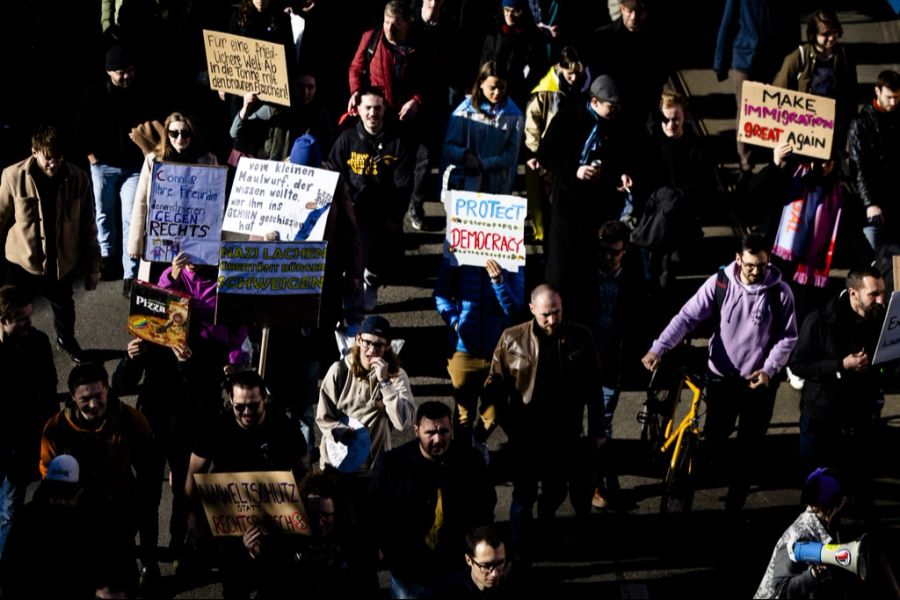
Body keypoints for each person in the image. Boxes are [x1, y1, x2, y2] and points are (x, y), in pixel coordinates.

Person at [641, 234, 798, 519]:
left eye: (761, 265)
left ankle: (734, 505)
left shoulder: (781, 292)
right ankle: (718, 472)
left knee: (749, 445)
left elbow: (787, 337)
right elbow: (687, 317)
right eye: (750, 265)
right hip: (721, 378)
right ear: (738, 259)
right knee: (715, 437)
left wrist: (769, 369)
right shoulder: (720, 283)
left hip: (758, 382)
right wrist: (659, 348)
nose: (755, 271)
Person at [484, 284, 603, 564]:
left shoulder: (580, 337)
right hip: (526, 434)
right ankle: (518, 553)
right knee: (523, 496)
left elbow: (593, 387)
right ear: (532, 310)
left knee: (555, 490)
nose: (552, 320)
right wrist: (501, 422)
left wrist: (597, 430)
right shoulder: (512, 338)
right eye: (546, 314)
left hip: (565, 433)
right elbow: (495, 384)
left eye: (557, 312)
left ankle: (544, 535)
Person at [185, 370, 309, 599]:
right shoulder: (215, 428)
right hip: (228, 521)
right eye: (239, 406)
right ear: (231, 400)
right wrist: (193, 516)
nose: (246, 412)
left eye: (253, 405)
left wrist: (297, 514)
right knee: (233, 584)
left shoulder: (285, 428)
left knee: (274, 584)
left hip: (274, 521)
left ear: (265, 399)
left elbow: (303, 470)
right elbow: (194, 472)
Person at [40, 363, 157, 596]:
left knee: (123, 583)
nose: (93, 404)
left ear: (107, 389)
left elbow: (149, 468)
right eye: (85, 399)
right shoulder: (56, 429)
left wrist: (139, 510)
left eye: (98, 395)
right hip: (78, 520)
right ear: (73, 397)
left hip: (121, 515)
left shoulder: (131, 420)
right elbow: (49, 477)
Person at [538, 74, 640, 322]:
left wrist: (622, 174)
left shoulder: (618, 125)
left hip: (598, 208)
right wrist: (575, 169)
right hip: (568, 207)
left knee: (589, 273)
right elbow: (546, 154)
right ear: (595, 102)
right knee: (561, 268)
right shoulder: (569, 118)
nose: (614, 110)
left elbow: (625, 155)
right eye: (610, 106)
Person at [370, 401, 496, 598]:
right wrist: (389, 550)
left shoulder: (470, 462)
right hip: (409, 569)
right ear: (416, 430)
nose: (438, 439)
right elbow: (377, 511)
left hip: (454, 562)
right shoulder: (392, 465)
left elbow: (485, 507)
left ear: (451, 430)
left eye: (444, 431)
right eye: (430, 433)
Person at [0, 125, 101, 364]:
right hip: (21, 262)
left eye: (58, 158)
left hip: (61, 262)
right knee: (13, 314)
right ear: (34, 151)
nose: (53, 165)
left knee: (65, 310)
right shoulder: (12, 176)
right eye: (48, 159)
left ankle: (66, 341)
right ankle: (11, 350)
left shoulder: (78, 178)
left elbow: (89, 225)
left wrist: (94, 267)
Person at [788, 268, 888, 478]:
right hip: (821, 415)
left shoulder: (877, 318)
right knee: (816, 481)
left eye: (882, 293)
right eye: (873, 295)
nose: (881, 300)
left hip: (857, 414)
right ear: (853, 293)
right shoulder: (820, 321)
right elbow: (798, 365)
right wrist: (841, 365)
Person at [76, 45, 158, 289]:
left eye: (130, 71)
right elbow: (80, 127)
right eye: (121, 72)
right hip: (104, 165)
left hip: (133, 167)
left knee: (131, 218)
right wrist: (91, 156)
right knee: (103, 213)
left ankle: (129, 274)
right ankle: (107, 258)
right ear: (109, 72)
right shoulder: (94, 94)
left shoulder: (141, 92)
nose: (127, 76)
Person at [326, 85, 414, 311]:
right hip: (352, 213)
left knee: (377, 263)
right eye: (367, 108)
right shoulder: (346, 140)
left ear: (384, 108)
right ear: (358, 109)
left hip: (383, 217)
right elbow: (333, 173)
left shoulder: (398, 143)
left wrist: (394, 217)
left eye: (377, 108)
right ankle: (352, 303)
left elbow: (403, 185)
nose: (372, 114)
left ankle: (371, 283)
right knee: (352, 261)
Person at [346, 0, 431, 230]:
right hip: (381, 115)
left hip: (409, 117)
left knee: (417, 164)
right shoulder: (371, 38)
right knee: (383, 167)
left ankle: (414, 205)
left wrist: (416, 100)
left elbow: (429, 79)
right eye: (386, 22)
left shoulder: (419, 44)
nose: (389, 29)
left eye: (395, 24)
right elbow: (355, 68)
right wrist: (355, 92)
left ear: (407, 23)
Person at [588, 221, 649, 507]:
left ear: (624, 252)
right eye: (603, 251)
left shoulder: (634, 279)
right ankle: (596, 479)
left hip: (612, 365)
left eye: (614, 253)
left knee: (603, 427)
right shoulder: (584, 275)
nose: (607, 257)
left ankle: (598, 481)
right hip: (583, 363)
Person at [435, 257, 525, 448]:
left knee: (494, 411)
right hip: (462, 350)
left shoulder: (513, 256)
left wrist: (500, 283)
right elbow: (441, 296)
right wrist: (456, 323)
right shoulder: (458, 254)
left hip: (498, 352)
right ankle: (463, 457)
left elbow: (515, 308)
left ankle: (477, 442)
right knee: (463, 412)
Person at [127, 111, 218, 290]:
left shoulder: (208, 160)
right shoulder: (153, 160)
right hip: (161, 236)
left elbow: (214, 207)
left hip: (194, 237)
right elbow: (141, 202)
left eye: (185, 133)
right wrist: (135, 243)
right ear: (167, 135)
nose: (179, 138)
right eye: (174, 133)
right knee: (160, 288)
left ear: (193, 134)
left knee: (188, 290)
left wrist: (211, 246)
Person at [0, 455, 113, 598]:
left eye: (67, 494)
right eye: (55, 492)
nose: (61, 501)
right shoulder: (29, 520)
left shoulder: (93, 521)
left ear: (79, 490)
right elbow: (10, 573)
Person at [0, 285, 58, 560]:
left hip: (20, 446)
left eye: (29, 316)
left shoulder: (38, 342)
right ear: (3, 320)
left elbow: (49, 392)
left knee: (9, 512)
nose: (29, 323)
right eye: (21, 319)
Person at [316, 315, 415, 473]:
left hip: (373, 468)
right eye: (367, 342)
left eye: (379, 345)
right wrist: (340, 430)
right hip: (337, 465)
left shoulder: (396, 375)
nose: (372, 350)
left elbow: (403, 422)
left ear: (388, 346)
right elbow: (323, 417)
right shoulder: (339, 370)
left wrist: (385, 383)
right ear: (358, 339)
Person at [713, 0, 799, 176]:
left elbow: (792, 25)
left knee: (775, 111)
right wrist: (720, 63)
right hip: (746, 59)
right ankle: (746, 164)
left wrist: (796, 62)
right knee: (746, 111)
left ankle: (774, 158)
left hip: (775, 60)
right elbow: (727, 24)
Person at [523, 45, 591, 242]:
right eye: (570, 74)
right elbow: (532, 123)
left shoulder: (584, 86)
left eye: (578, 73)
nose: (574, 78)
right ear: (561, 68)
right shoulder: (546, 90)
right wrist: (535, 153)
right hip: (549, 157)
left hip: (573, 155)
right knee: (548, 205)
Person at [755, 468, 848, 599]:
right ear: (828, 509)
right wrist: (813, 575)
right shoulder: (797, 537)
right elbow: (781, 587)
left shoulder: (825, 526)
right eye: (840, 508)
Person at [772, 10, 856, 149]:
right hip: (803, 130)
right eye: (825, 34)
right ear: (814, 35)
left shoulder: (843, 56)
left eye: (834, 32)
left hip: (833, 128)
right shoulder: (798, 57)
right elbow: (777, 92)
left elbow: (851, 94)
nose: (831, 38)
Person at [441, 61, 525, 194]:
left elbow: (511, 154)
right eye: (492, 88)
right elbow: (449, 146)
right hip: (466, 187)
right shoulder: (464, 112)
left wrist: (484, 164)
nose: (497, 93)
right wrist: (465, 155)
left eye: (501, 87)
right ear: (481, 83)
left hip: (498, 188)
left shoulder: (514, 115)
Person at [588, 0, 669, 131]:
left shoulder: (655, 41)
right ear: (622, 9)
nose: (634, 17)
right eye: (630, 11)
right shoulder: (603, 38)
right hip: (611, 108)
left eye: (638, 12)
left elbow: (659, 76)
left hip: (639, 108)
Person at [847, 69, 900, 250]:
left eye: (897, 97)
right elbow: (858, 167)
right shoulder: (861, 123)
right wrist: (869, 203)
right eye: (889, 97)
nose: (893, 103)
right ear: (877, 92)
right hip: (874, 205)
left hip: (894, 200)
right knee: (875, 259)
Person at [480, 0, 547, 111]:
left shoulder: (532, 36)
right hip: (490, 91)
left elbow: (539, 67)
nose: (510, 15)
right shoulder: (494, 30)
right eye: (506, 10)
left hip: (516, 94)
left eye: (515, 11)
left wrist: (525, 87)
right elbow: (484, 58)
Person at [426, 525, 515, 598]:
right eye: (486, 566)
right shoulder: (444, 590)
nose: (494, 574)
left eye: (500, 563)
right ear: (469, 560)